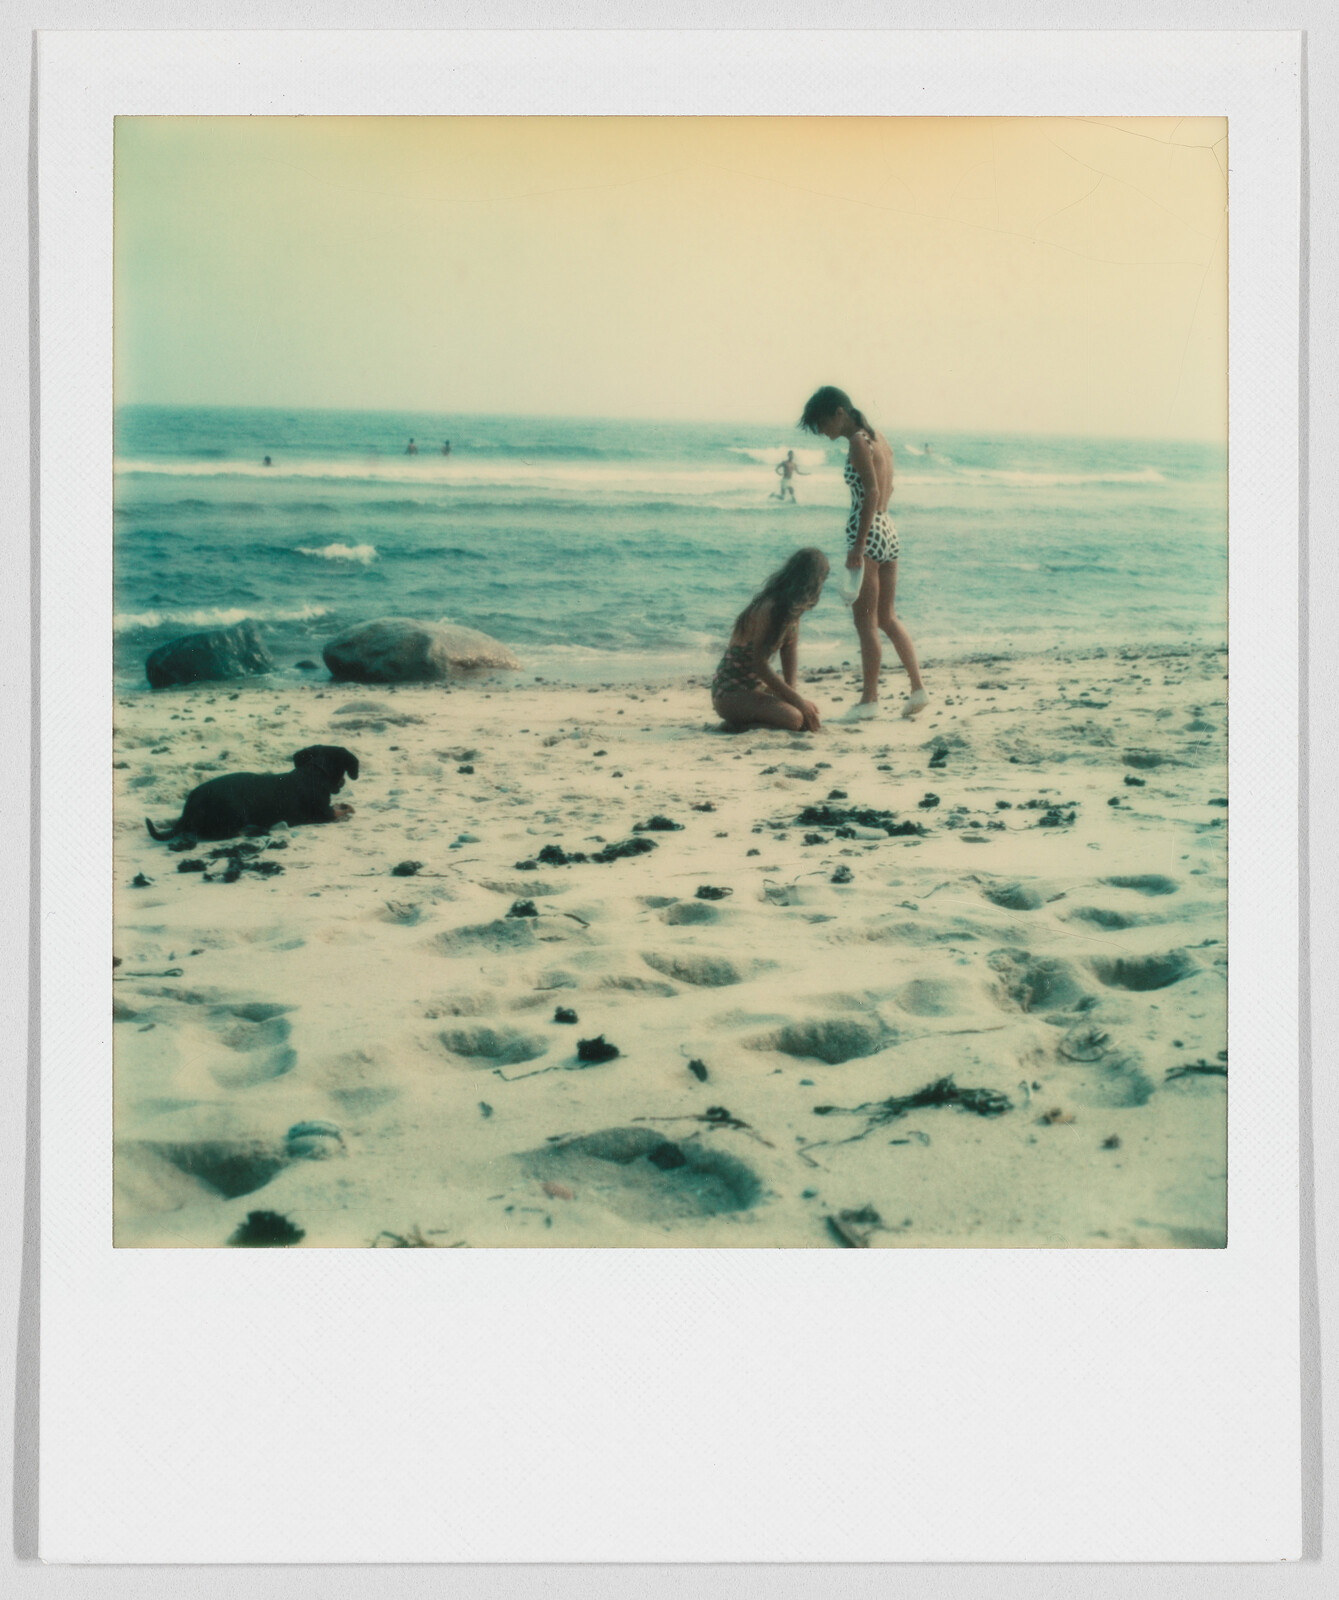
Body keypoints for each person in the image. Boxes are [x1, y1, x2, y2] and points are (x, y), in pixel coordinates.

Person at [799, 385, 928, 721]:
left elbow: (869, 492)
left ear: (839, 413)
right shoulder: (878, 437)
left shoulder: (857, 442)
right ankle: (918, 688)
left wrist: (857, 547)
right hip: (888, 528)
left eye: (822, 424)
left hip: (867, 534)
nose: (823, 433)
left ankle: (869, 700)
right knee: (887, 617)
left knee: (865, 623)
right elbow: (888, 487)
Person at [711, 548, 829, 732]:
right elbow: (760, 665)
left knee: (808, 712)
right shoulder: (771, 607)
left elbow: (789, 652)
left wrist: (794, 699)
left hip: (754, 689)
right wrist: (797, 703)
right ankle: (734, 726)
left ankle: (747, 722)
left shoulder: (793, 610)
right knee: (794, 719)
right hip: (730, 692)